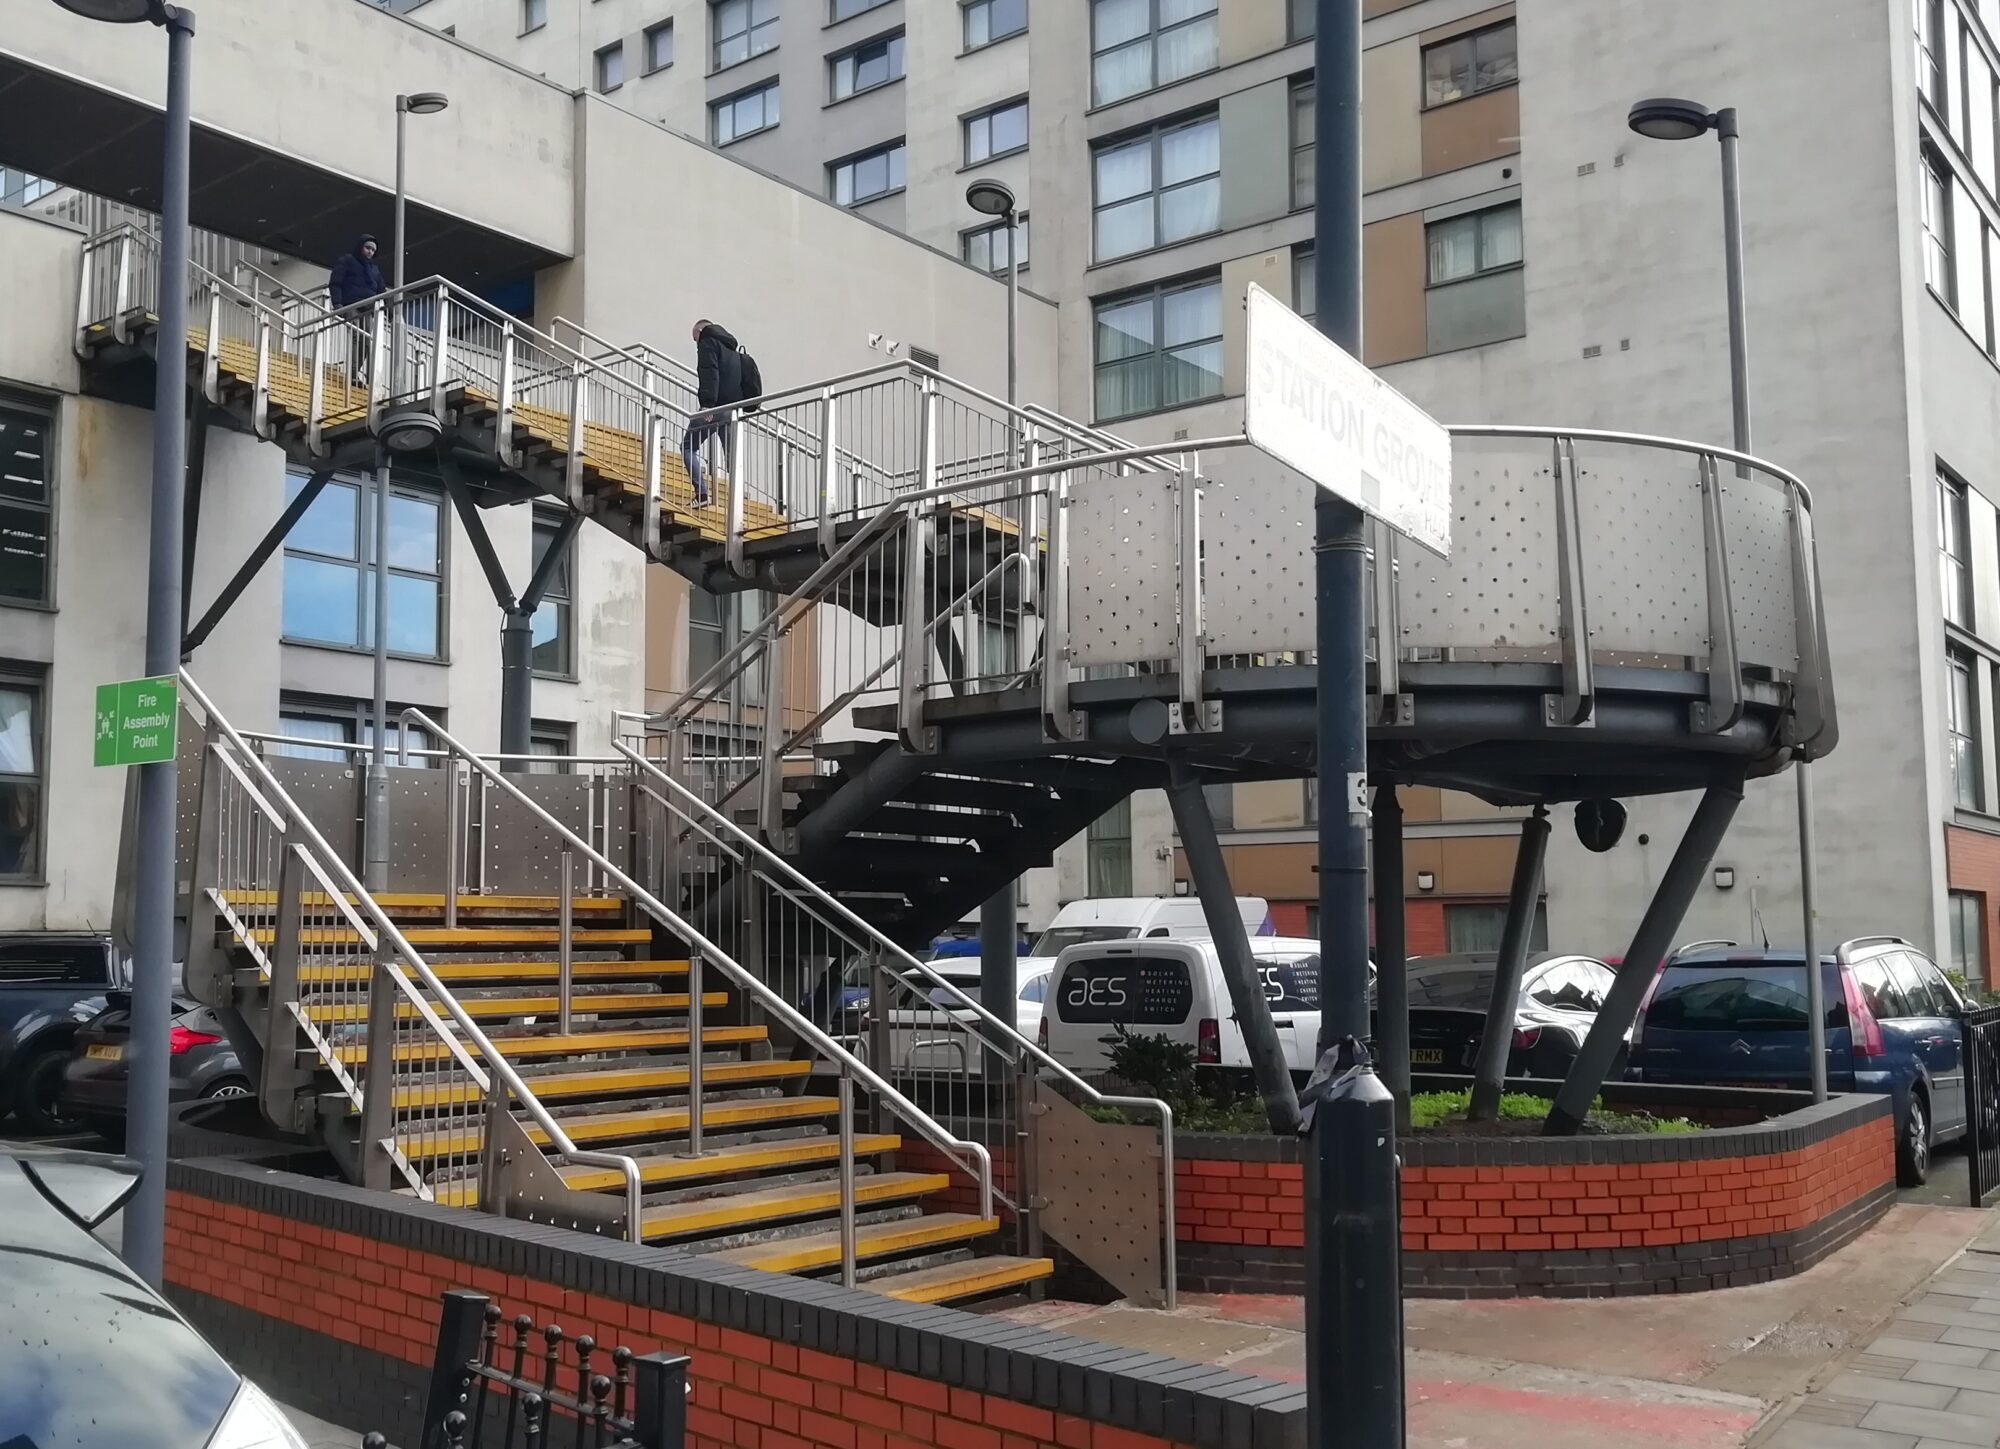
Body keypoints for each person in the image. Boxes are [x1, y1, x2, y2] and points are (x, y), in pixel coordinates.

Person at [682, 319, 748, 506]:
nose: (696, 343)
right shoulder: (732, 350)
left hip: (716, 407)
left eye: (695, 338)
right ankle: (737, 501)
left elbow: (709, 372)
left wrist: (707, 405)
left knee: (688, 447)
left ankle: (702, 494)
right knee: (731, 457)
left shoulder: (707, 342)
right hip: (732, 410)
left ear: (701, 330)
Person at [328, 235, 386, 380]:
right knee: (356, 338)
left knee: (366, 342)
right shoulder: (347, 261)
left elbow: (382, 291)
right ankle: (353, 374)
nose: (370, 252)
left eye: (373, 250)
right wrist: (338, 304)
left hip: (368, 309)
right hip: (351, 305)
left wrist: (389, 313)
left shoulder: (374, 269)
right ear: (360, 247)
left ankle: (354, 373)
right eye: (368, 248)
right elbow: (336, 283)